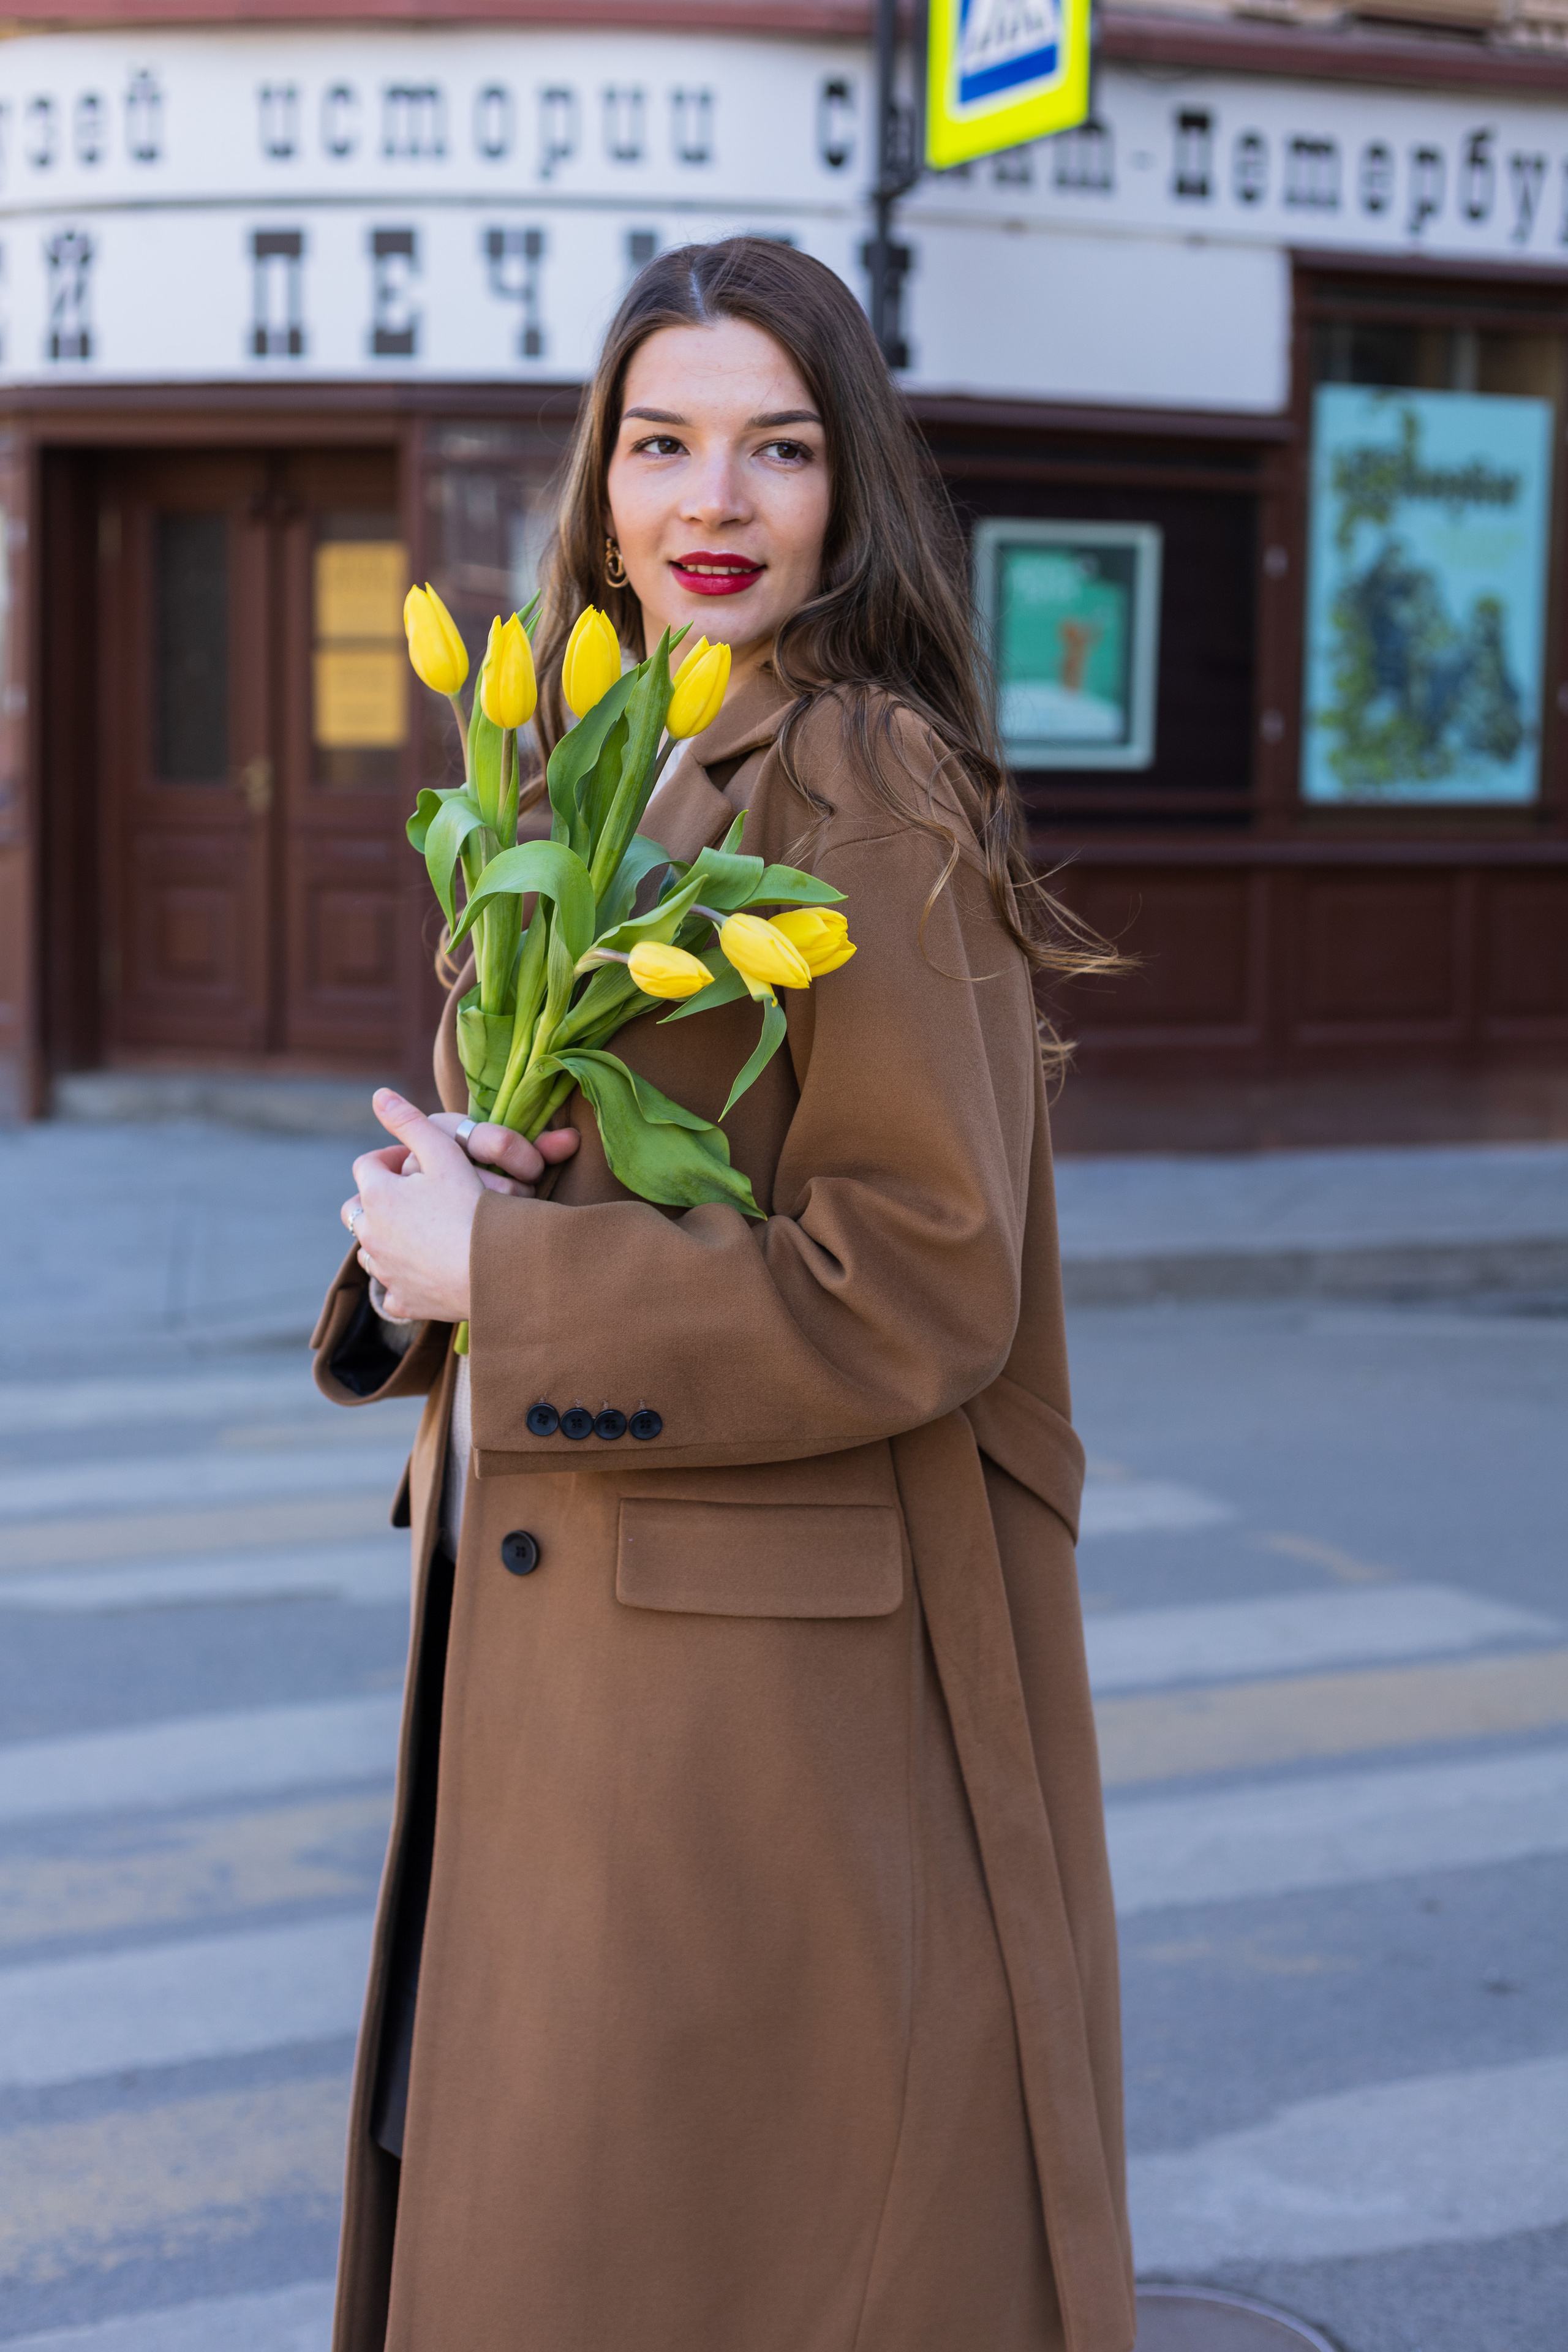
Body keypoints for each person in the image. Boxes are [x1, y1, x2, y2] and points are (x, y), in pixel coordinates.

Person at [315, 236, 1134, 2352]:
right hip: (593, 1660)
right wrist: (449, 1240)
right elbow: (620, 1180)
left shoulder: (857, 778)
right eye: (663, 445)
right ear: (600, 488)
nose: (714, 504)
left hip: (749, 1712)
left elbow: (923, 1277)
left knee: (701, 2261)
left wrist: (517, 1273)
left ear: (848, 491)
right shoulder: (605, 760)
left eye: (777, 449)